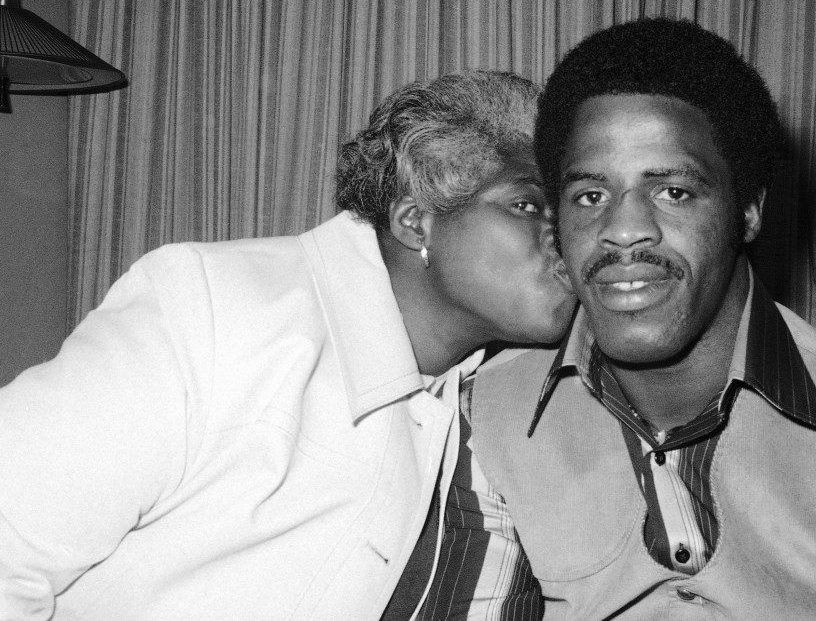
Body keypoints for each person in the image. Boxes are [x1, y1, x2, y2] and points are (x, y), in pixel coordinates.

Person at [468, 18, 816, 617]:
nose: (624, 229)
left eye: (673, 192)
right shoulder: (475, 426)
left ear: (750, 211)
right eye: (590, 196)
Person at [0, 70, 574, 618]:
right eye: (526, 205)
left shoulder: (490, 391)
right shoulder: (210, 309)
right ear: (414, 222)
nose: (566, 237)